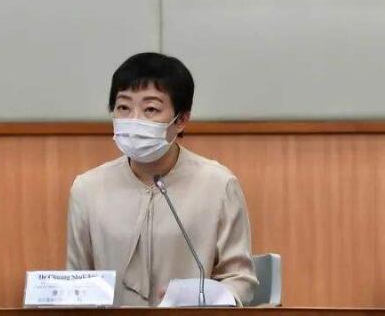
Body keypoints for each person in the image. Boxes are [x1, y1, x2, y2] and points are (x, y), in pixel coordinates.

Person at [66, 52, 257, 306]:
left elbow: (240, 280)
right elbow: (76, 283)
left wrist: (205, 297)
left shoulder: (218, 185)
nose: (134, 120)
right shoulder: (87, 189)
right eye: (123, 108)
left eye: (151, 109)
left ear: (181, 120)